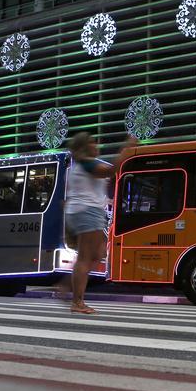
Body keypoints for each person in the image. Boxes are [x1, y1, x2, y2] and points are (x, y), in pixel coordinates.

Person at [64, 131, 137, 314]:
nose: (96, 145)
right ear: (83, 147)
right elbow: (111, 170)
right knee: (86, 257)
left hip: (88, 211)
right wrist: (126, 149)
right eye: (92, 142)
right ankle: (77, 302)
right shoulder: (87, 163)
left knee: (97, 254)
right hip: (87, 211)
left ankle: (69, 287)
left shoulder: (82, 165)